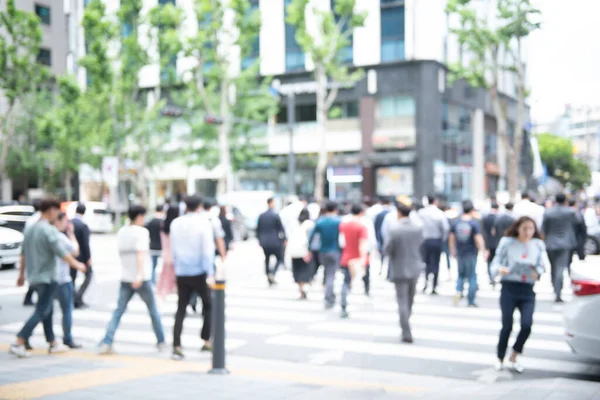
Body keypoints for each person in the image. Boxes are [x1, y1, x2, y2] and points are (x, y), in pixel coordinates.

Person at [10, 198, 87, 358]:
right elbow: (62, 252)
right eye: (57, 212)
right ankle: (19, 340)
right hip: (48, 277)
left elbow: (23, 254)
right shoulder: (48, 230)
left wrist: (21, 275)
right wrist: (78, 265)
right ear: (51, 210)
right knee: (42, 310)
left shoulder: (30, 228)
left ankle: (52, 342)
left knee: (47, 310)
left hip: (34, 276)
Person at [98, 205, 166, 355]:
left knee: (119, 311)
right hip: (142, 278)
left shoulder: (122, 231)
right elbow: (141, 254)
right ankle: (161, 341)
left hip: (126, 277)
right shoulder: (141, 232)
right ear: (140, 216)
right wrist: (140, 275)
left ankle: (107, 341)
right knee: (153, 310)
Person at [170, 195, 226, 360]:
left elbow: (174, 250)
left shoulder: (176, 223)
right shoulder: (203, 223)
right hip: (200, 272)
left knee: (181, 308)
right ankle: (206, 340)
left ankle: (176, 344)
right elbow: (207, 250)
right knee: (208, 306)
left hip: (182, 271)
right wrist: (210, 273)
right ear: (200, 206)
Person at [491, 217, 547, 373]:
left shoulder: (538, 245)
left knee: (527, 325)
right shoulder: (507, 242)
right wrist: (500, 270)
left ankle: (515, 353)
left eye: (531, 229)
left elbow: (542, 265)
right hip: (509, 287)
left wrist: (538, 272)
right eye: (525, 229)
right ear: (518, 228)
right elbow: (495, 262)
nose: (528, 232)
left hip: (527, 289)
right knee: (507, 325)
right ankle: (500, 357)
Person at [384, 202, 424, 344]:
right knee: (410, 300)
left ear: (399, 213)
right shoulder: (418, 228)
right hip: (414, 267)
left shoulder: (394, 229)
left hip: (399, 268)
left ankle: (406, 330)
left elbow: (388, 249)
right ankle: (406, 324)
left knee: (402, 301)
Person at [542, 193, 579, 303]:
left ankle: (555, 288)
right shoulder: (570, 212)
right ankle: (558, 292)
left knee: (553, 267)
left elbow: (544, 228)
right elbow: (578, 222)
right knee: (560, 268)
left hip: (550, 243)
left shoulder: (548, 212)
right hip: (565, 243)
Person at [53, 212, 82, 349]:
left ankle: (50, 339)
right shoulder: (60, 237)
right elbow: (75, 251)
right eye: (65, 221)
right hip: (62, 279)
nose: (67, 224)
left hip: (50, 278)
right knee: (67, 310)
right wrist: (71, 234)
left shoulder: (47, 234)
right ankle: (67, 338)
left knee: (44, 310)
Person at [449, 200, 485, 307]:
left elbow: (451, 238)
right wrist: (483, 250)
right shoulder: (474, 223)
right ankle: (471, 300)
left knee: (460, 275)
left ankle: (458, 292)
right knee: (472, 276)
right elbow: (478, 238)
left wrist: (452, 250)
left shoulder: (456, 222)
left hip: (460, 252)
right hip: (471, 252)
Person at [338, 204, 369, 319]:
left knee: (346, 282)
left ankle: (343, 304)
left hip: (346, 256)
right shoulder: (361, 227)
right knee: (353, 281)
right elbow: (363, 245)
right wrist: (363, 259)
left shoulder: (344, 225)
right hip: (356, 259)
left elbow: (341, 242)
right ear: (361, 212)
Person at [309, 201, 341, 309]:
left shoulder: (320, 222)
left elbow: (312, 236)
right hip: (334, 250)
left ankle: (329, 294)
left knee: (327, 272)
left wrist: (309, 248)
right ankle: (328, 296)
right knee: (331, 275)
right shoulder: (338, 221)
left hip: (322, 251)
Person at [417, 195, 450, 295]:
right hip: (436, 240)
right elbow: (445, 228)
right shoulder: (439, 213)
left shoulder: (421, 213)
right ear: (435, 201)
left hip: (424, 240)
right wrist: (443, 239)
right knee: (436, 263)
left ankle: (426, 284)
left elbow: (417, 226)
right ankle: (434, 286)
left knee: (426, 263)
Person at [256, 198, 286, 286]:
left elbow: (258, 229)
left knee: (267, 258)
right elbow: (281, 228)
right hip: (275, 241)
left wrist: (259, 239)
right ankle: (272, 273)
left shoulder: (262, 215)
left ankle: (268, 274)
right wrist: (284, 239)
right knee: (280, 258)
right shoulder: (275, 215)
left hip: (264, 241)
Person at [288, 208, 315, 299]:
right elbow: (311, 239)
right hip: (304, 251)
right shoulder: (310, 224)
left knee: (297, 271)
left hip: (294, 251)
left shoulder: (295, 224)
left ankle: (301, 288)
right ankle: (305, 287)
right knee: (306, 270)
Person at [71, 203, 92, 309]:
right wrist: (88, 258)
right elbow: (85, 244)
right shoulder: (83, 225)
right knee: (89, 276)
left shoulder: (69, 223)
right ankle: (77, 298)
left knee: (72, 278)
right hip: (82, 256)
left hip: (70, 256)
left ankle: (74, 298)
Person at [156, 204, 179, 300]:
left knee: (164, 280)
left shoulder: (163, 225)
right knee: (177, 280)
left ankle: (160, 298)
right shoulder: (177, 226)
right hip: (176, 256)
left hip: (166, 255)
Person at [23, 199, 41, 307]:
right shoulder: (40, 219)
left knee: (35, 273)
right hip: (38, 250)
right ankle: (30, 297)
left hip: (30, 249)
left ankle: (28, 297)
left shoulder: (30, 219)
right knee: (38, 274)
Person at [145, 205, 165, 284]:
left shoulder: (151, 221)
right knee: (164, 266)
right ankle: (162, 282)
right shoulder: (163, 222)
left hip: (152, 246)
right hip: (162, 247)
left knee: (153, 266)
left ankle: (153, 281)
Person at [482, 202, 500, 287]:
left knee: (489, 260)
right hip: (497, 242)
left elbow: (483, 230)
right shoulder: (498, 218)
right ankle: (494, 276)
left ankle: (491, 276)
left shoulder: (486, 218)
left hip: (488, 242)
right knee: (496, 259)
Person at [374, 197, 394, 273]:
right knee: (389, 255)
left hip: (380, 236)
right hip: (388, 237)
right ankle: (388, 273)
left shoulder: (379, 214)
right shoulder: (392, 214)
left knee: (382, 254)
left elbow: (375, 226)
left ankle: (381, 270)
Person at [569, 199, 587, 264]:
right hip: (578, 237)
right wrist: (585, 236)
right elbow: (583, 226)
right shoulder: (577, 213)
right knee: (581, 255)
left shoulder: (565, 213)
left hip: (568, 238)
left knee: (569, 257)